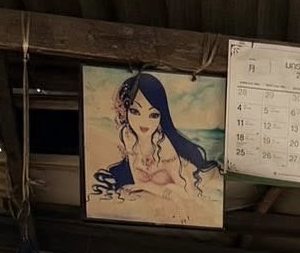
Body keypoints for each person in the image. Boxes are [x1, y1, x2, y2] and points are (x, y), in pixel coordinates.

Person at [91, 71, 220, 200]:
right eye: (135, 111)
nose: (144, 122)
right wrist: (142, 186)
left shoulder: (165, 146)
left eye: (153, 115)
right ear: (125, 110)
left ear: (161, 117)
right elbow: (137, 180)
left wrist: (148, 187)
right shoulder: (127, 133)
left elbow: (187, 194)